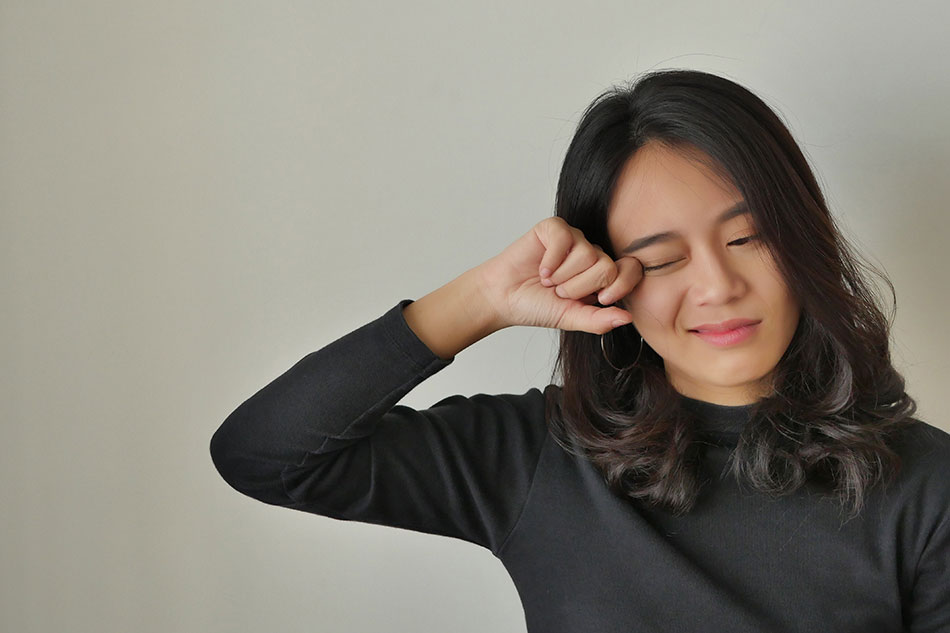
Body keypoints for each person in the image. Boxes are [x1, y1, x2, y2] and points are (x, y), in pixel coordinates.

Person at [209, 69, 950, 632]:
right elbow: (265, 453)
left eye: (748, 237)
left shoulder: (927, 485)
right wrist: (481, 300)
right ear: (604, 275)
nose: (718, 286)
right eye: (660, 259)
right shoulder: (539, 454)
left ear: (802, 238)